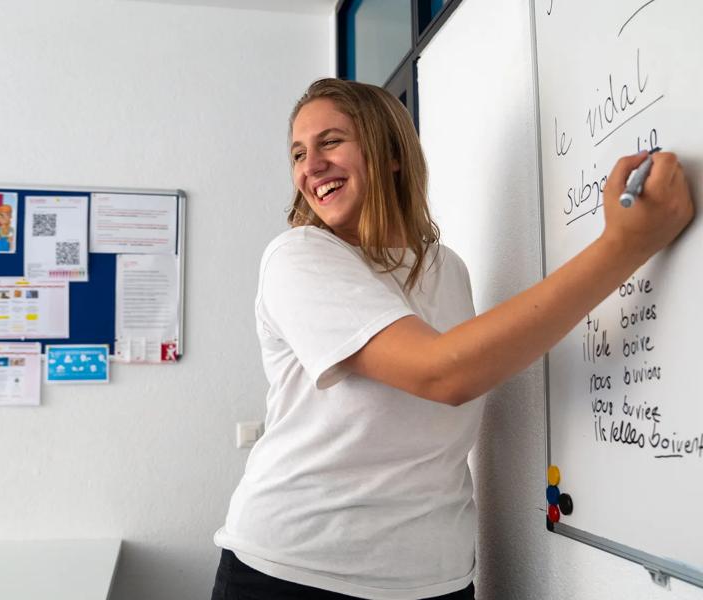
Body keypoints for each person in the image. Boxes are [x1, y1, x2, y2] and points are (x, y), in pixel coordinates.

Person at [211, 78, 693, 600]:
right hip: (293, 572)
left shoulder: (447, 269)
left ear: (391, 153)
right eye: (299, 153)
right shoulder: (297, 257)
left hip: (434, 578)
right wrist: (624, 245)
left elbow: (479, 362)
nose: (310, 167)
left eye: (330, 142)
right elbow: (442, 373)